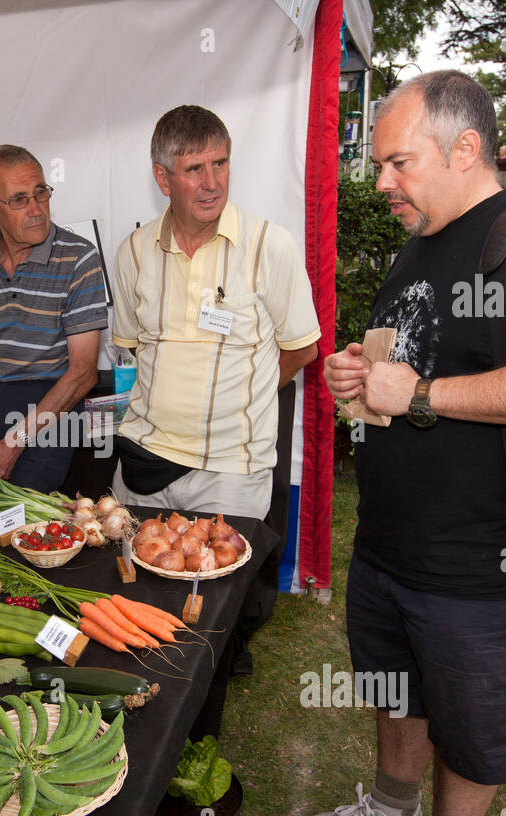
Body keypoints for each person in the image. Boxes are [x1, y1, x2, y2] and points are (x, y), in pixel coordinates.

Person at [303, 71, 506, 816]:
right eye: (380, 165)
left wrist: (424, 393)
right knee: (391, 687)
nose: (381, 183)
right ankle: (392, 810)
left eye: (398, 163)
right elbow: (407, 366)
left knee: (471, 724)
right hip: (387, 538)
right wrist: (360, 377)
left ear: (466, 148)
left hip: (480, 553)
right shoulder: (421, 243)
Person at [109, 105, 320, 520]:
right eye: (194, 169)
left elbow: (301, 350)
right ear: (162, 177)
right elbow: (133, 348)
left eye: (220, 163)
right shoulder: (133, 250)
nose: (212, 183)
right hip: (145, 462)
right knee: (129, 584)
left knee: (213, 585)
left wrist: (247, 396)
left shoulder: (270, 246)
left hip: (232, 474)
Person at [0, 145, 107, 492]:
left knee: (16, 526)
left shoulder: (79, 259)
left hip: (48, 408)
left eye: (40, 193)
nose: (36, 210)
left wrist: (12, 444)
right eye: (19, 200)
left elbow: (83, 374)